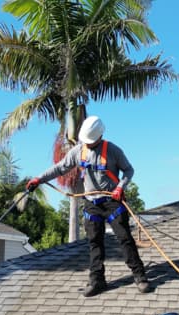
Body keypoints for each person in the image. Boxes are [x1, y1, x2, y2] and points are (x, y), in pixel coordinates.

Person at [26, 116, 150, 297]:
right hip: (92, 203)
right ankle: (97, 281)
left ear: (100, 136)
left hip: (112, 202)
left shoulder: (113, 151)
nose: (89, 145)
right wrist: (39, 178)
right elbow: (60, 168)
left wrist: (120, 187)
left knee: (125, 239)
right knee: (95, 242)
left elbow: (129, 170)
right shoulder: (78, 151)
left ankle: (140, 277)